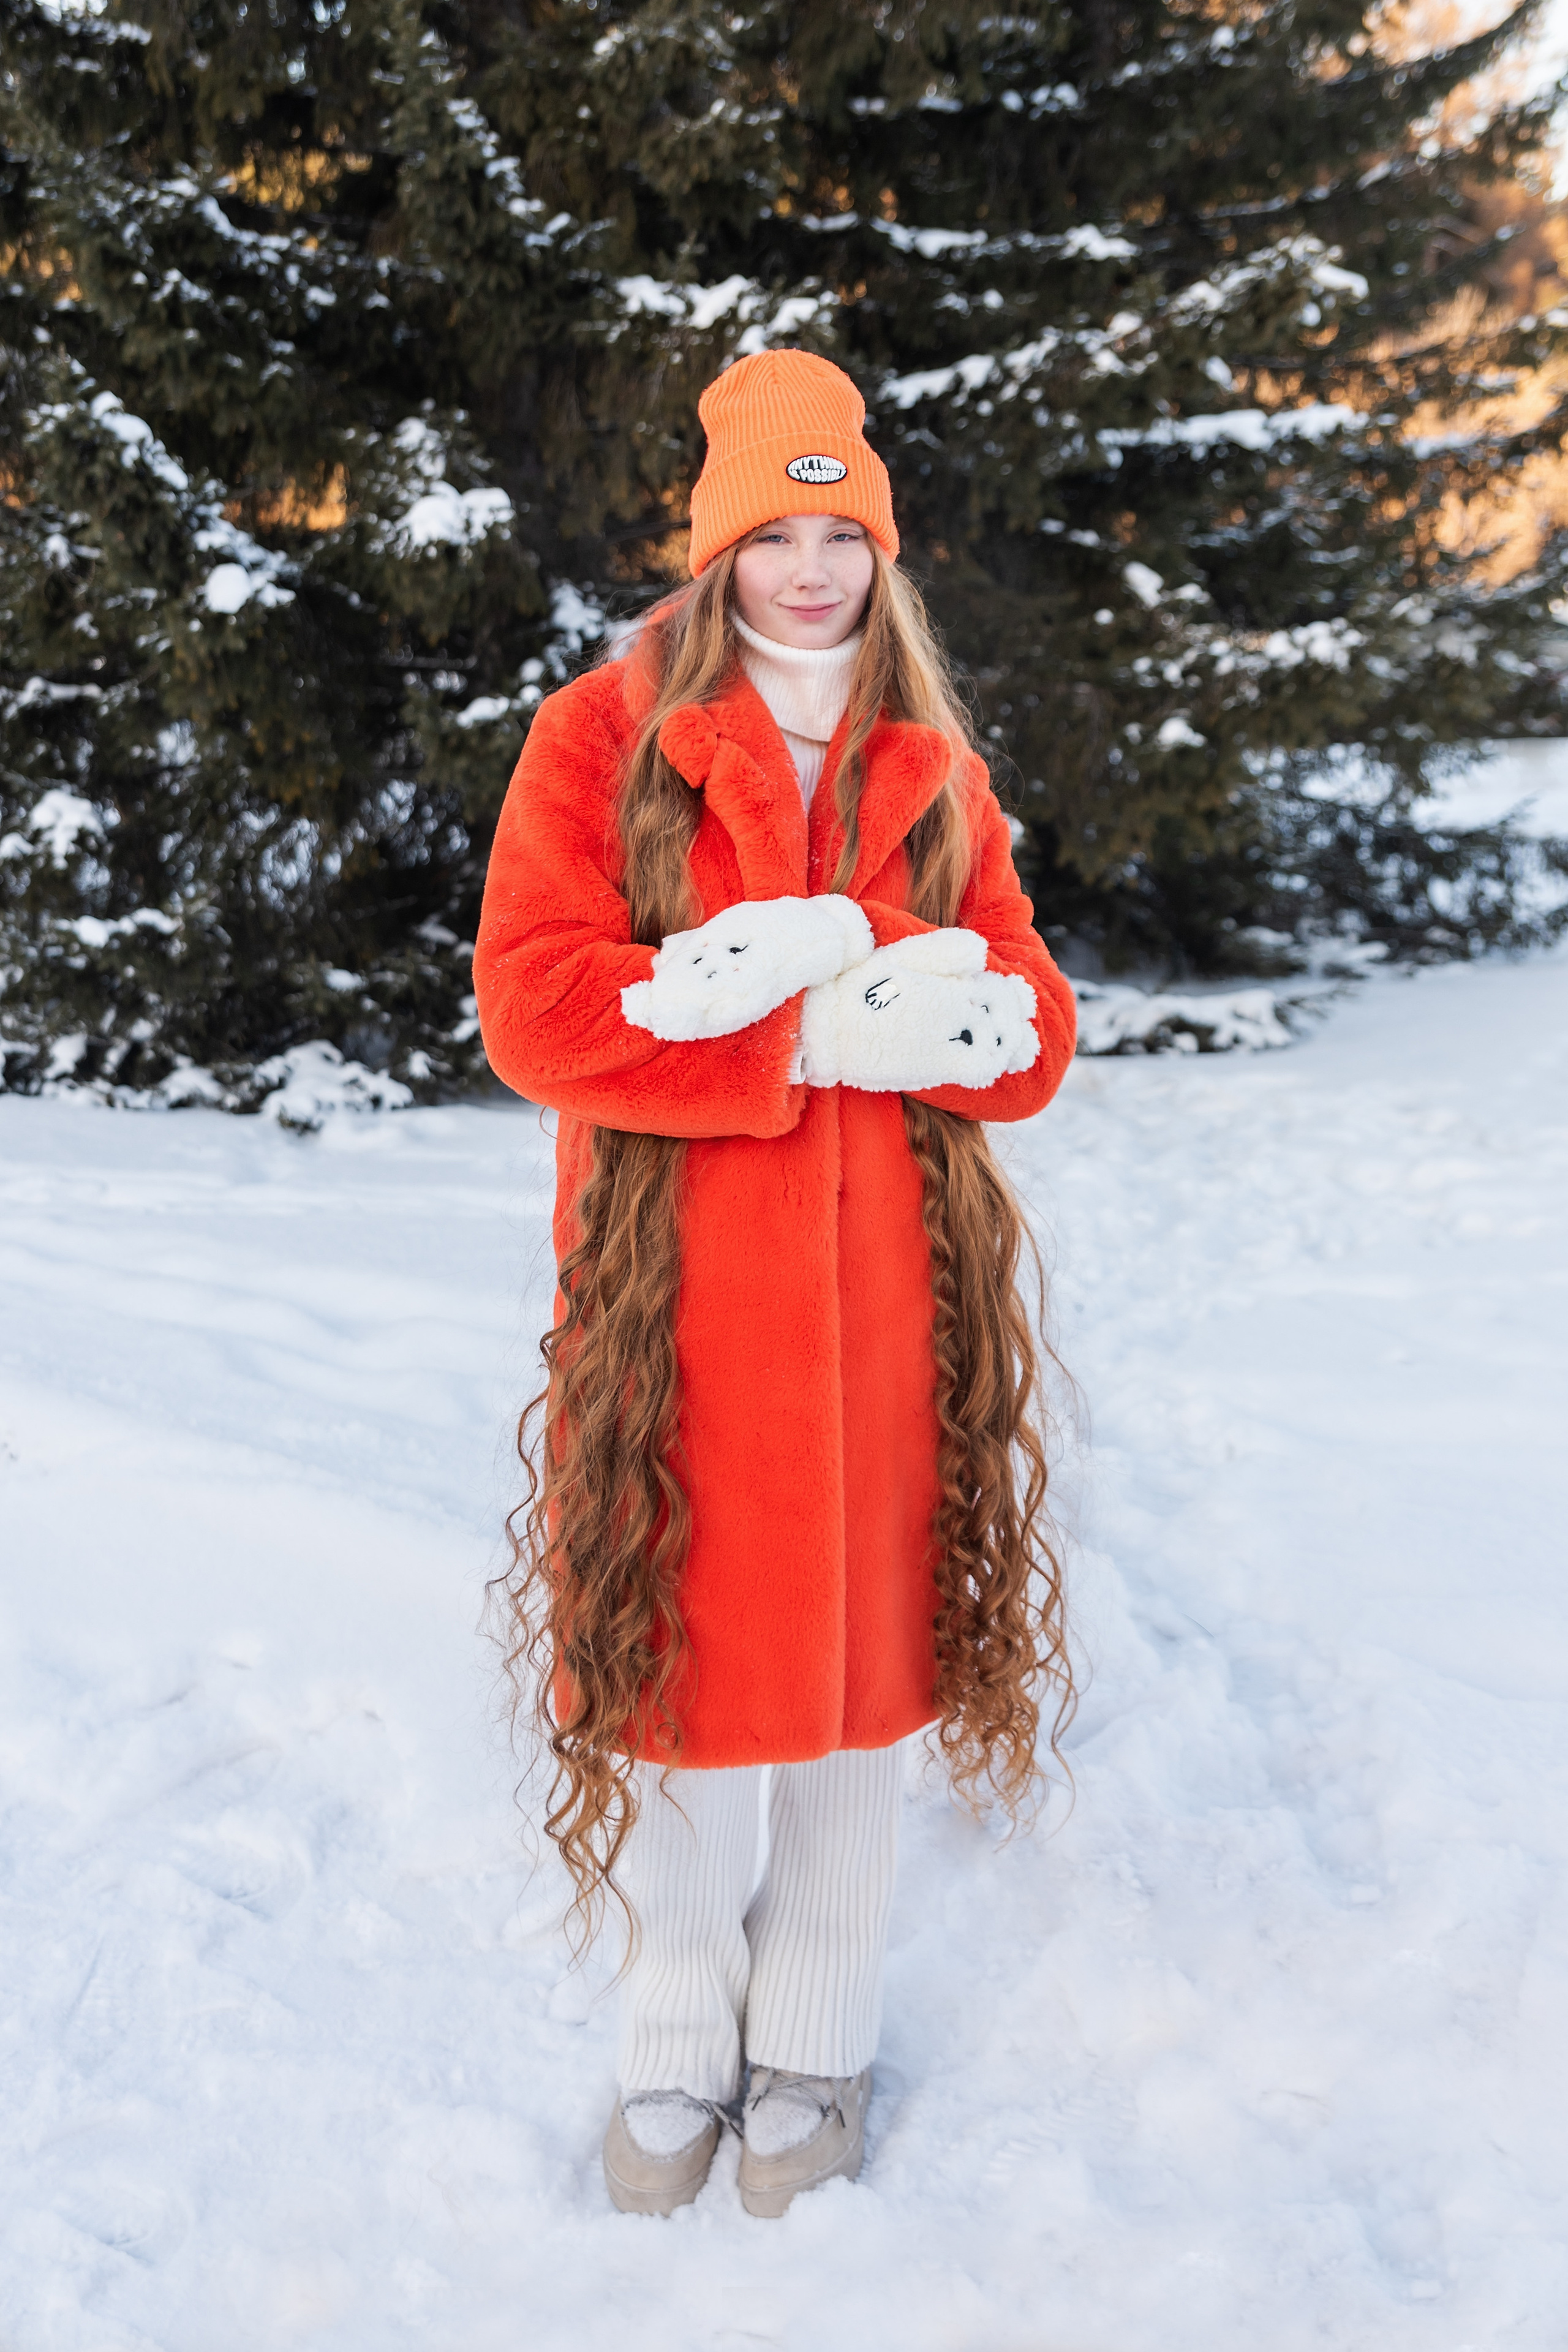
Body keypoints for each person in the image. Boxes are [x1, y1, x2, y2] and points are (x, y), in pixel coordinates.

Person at [473, 348, 1077, 2220]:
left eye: (842, 538)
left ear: (881, 553)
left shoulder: (933, 766)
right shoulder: (604, 735)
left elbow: (1031, 1033)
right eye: (774, 536)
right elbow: (537, 1007)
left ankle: (816, 2036)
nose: (810, 572)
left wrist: (903, 986)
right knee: (683, 1667)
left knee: (852, 1679)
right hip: (678, 1314)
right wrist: (789, 1040)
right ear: (718, 546)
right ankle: (678, 2029)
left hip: (888, 1310)